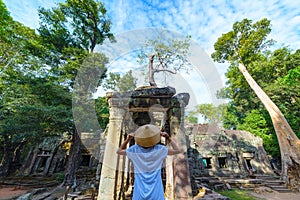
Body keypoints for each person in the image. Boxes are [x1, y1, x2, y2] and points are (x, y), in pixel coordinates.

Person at [117, 124, 181, 200]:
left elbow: (119, 151)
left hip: (139, 190)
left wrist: (128, 139)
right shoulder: (160, 149)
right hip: (156, 189)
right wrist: (168, 138)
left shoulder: (135, 150)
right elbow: (177, 150)